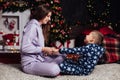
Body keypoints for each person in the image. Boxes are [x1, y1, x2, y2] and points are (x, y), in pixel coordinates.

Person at [20, 4, 64, 77]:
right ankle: (51, 68)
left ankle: (47, 67)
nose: (49, 19)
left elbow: (37, 47)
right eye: (48, 16)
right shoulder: (32, 26)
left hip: (40, 59)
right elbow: (24, 48)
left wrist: (48, 51)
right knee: (54, 69)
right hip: (30, 64)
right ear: (41, 14)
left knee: (62, 56)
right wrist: (43, 49)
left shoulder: (39, 26)